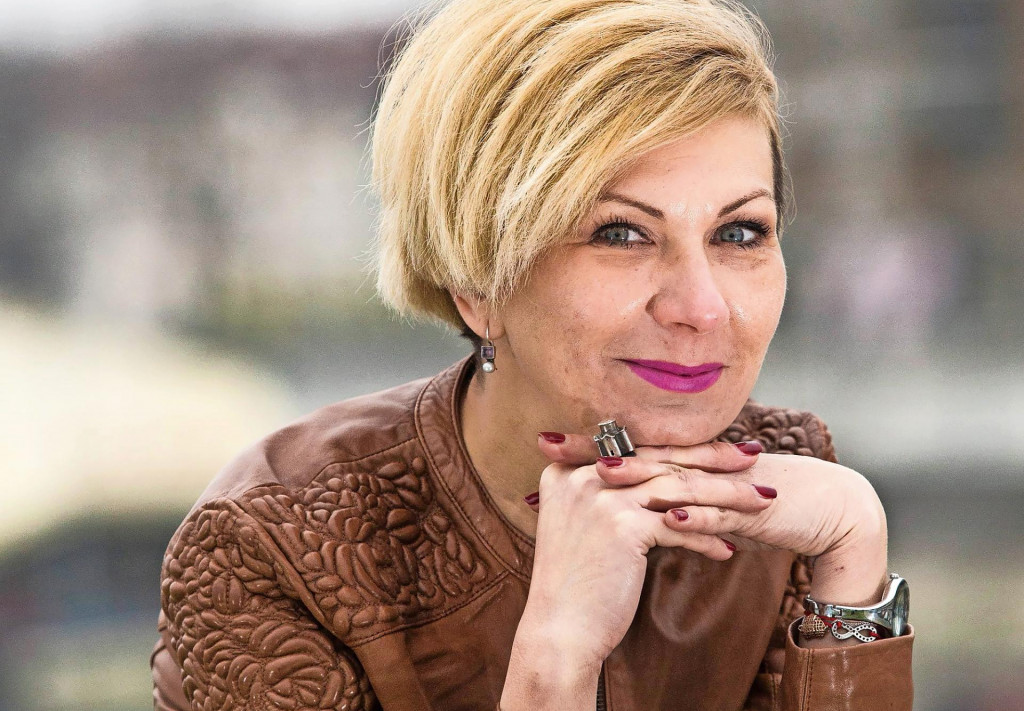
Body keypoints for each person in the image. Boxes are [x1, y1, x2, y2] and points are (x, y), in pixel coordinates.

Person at [151, 0, 915, 708]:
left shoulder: (792, 490)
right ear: (476, 281)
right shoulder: (271, 546)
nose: (702, 306)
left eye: (739, 232)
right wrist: (555, 656)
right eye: (621, 233)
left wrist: (857, 551)